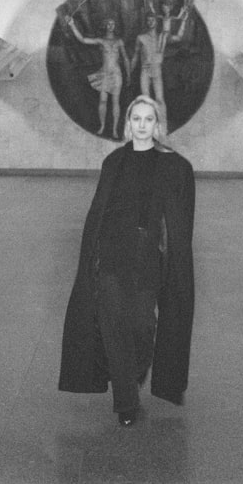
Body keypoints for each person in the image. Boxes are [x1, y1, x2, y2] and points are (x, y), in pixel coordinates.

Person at [59, 95, 196, 427]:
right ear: (128, 123)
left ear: (157, 125)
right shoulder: (114, 162)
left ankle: (135, 370)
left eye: (149, 119)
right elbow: (99, 211)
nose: (142, 125)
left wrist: (174, 257)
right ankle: (126, 402)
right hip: (112, 253)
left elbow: (183, 220)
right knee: (112, 322)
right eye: (137, 118)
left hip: (149, 256)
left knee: (141, 323)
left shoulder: (176, 166)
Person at [66, 16, 132, 138]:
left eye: (113, 24)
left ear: (115, 26)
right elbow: (83, 39)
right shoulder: (101, 41)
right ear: (105, 26)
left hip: (116, 74)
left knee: (115, 101)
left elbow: (126, 59)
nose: (111, 26)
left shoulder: (119, 41)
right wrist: (72, 25)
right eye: (109, 24)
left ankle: (115, 130)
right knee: (103, 101)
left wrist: (128, 75)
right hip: (104, 73)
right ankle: (102, 126)